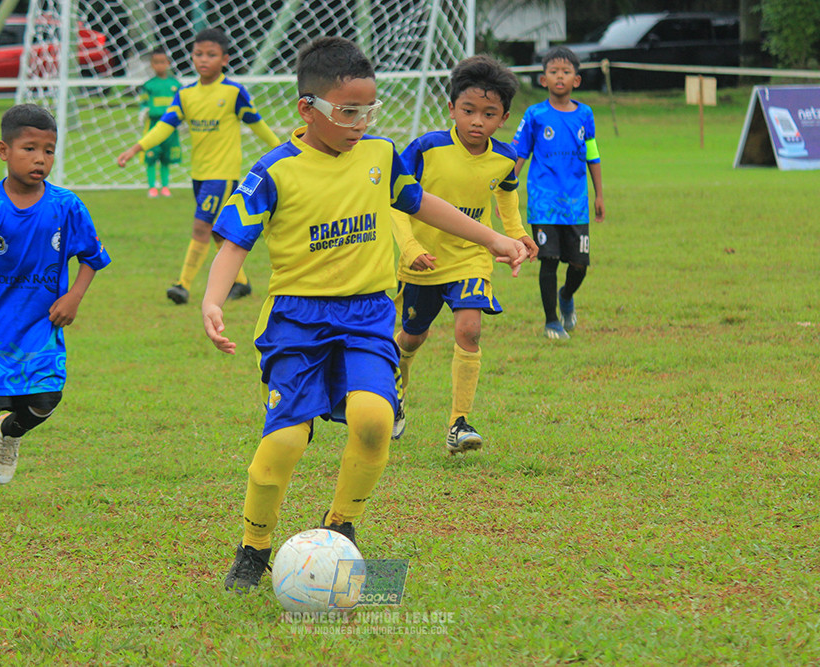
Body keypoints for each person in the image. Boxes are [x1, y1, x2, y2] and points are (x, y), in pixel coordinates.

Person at [200, 37, 527, 592]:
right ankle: (254, 547)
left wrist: (494, 237)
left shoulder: (379, 153)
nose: (360, 121)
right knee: (283, 443)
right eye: (348, 111)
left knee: (374, 422)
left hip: (368, 314)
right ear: (309, 109)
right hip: (297, 321)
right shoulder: (273, 171)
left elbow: (420, 201)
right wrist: (212, 300)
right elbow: (233, 242)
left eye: (368, 110)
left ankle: (341, 528)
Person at [0, 104, 111, 509]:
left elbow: (92, 257)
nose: (40, 159)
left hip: (40, 323)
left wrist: (74, 297)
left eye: (48, 150)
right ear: (4, 150)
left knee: (46, 398)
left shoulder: (67, 206)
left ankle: (11, 434)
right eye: (29, 148)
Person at [390, 55, 537, 453]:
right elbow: (396, 202)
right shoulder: (426, 148)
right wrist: (411, 246)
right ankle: (395, 396)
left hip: (472, 257)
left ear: (504, 117)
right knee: (412, 338)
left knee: (469, 329)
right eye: (469, 111)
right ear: (451, 108)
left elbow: (506, 195)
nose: (477, 121)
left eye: (489, 114)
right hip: (424, 261)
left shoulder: (505, 158)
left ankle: (459, 424)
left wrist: (517, 235)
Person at [117, 28, 281, 305]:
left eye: (211, 55)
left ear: (225, 59)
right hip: (199, 174)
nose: (203, 60)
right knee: (215, 231)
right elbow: (164, 126)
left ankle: (182, 285)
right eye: (198, 54)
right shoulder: (186, 94)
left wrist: (282, 150)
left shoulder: (233, 92)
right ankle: (241, 283)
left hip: (223, 173)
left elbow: (257, 124)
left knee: (200, 228)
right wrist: (136, 149)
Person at [512, 46, 604, 341]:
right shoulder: (535, 114)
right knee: (548, 260)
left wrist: (599, 194)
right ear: (543, 80)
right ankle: (552, 321)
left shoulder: (585, 114)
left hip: (576, 202)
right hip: (544, 202)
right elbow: (520, 154)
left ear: (576, 80)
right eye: (553, 72)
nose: (559, 77)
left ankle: (566, 296)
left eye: (566, 72)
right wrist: (507, 192)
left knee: (579, 264)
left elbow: (592, 154)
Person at [138, 48, 182, 198]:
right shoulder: (149, 85)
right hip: (153, 126)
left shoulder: (175, 84)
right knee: (151, 157)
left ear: (168, 63)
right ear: (151, 64)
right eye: (156, 62)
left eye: (162, 62)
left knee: (166, 158)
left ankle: (165, 186)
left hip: (171, 128)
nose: (159, 66)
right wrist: (143, 111)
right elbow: (143, 103)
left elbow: (181, 104)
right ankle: (151, 187)